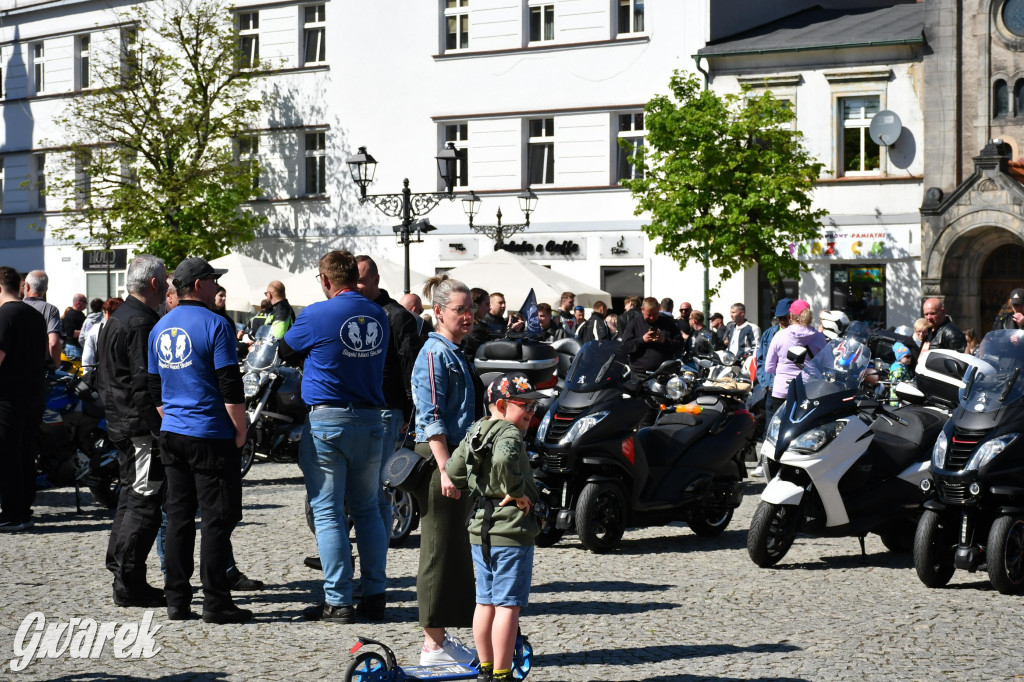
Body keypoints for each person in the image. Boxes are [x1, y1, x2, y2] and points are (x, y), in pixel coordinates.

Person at [279, 250, 389, 623]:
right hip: (370, 418)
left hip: (328, 419)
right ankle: (374, 595)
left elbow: (284, 349)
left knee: (328, 512)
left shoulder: (316, 313)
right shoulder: (377, 314)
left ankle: (339, 600)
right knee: (368, 509)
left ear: (326, 280)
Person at [148, 257, 251, 624]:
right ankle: (216, 602)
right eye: (212, 279)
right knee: (217, 518)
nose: (217, 286)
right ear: (198, 285)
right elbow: (229, 383)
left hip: (174, 433)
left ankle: (177, 600)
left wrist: (174, 418)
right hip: (210, 433)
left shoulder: (160, 326)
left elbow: (155, 387)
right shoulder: (216, 324)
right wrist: (241, 429)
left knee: (178, 517)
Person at [446, 372, 542, 682]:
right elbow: (503, 461)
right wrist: (515, 490)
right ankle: (502, 674)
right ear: (501, 405)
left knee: (485, 601)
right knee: (508, 605)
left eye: (534, 406)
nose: (531, 412)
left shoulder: (476, 429)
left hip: (480, 529)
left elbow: (454, 470)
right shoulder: (509, 432)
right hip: (511, 530)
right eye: (524, 405)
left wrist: (479, 482)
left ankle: (486, 669)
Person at [411, 275, 480, 666]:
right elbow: (431, 416)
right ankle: (433, 647)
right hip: (441, 457)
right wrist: (445, 468)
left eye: (470, 308)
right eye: (459, 309)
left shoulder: (454, 351)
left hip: (455, 457)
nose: (467, 316)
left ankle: (439, 639)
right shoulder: (434, 353)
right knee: (437, 550)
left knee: (453, 548)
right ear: (438, 312)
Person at [98, 256, 168, 607]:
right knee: (143, 501)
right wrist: (158, 429)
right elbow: (143, 384)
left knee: (132, 498)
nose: (168, 286)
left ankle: (124, 572)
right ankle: (128, 581)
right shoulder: (140, 321)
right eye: (165, 280)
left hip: (123, 421)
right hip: (139, 428)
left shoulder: (121, 316)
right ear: (154, 284)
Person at [356, 254, 424, 550]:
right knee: (360, 484)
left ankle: (376, 549)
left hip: (387, 410)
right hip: (358, 410)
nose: (355, 286)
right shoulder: (353, 311)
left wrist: (410, 413)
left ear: (376, 280)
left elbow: (411, 369)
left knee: (379, 485)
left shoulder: (396, 315)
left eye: (360, 280)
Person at [0, 265, 48, 532]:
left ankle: (13, 513)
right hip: (34, 392)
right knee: (26, 453)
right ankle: (24, 510)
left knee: (8, 455)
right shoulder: (34, 315)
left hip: (8, 396)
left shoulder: (4, 315)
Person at [764, 299, 828, 427]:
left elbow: (769, 368)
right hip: (809, 390)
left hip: (782, 390)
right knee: (805, 430)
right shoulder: (819, 337)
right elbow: (828, 365)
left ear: (791, 316)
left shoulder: (779, 336)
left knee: (779, 428)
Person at [620, 297, 684, 373]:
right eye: (649, 314)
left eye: (655, 314)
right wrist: (642, 340)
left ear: (659, 309)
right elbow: (625, 347)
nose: (652, 317)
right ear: (642, 310)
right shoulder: (634, 324)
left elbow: (680, 346)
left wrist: (664, 341)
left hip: (664, 373)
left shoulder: (668, 323)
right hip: (640, 373)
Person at [755, 299, 794, 401]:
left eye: (785, 318)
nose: (782, 321)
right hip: (773, 388)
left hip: (795, 387)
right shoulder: (769, 334)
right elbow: (761, 360)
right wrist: (766, 384)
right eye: (779, 318)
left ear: (792, 316)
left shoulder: (800, 334)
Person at [23, 270, 63, 369]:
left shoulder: (12, 308)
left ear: (27, 286)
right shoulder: (51, 310)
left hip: (15, 367)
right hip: (40, 367)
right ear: (46, 289)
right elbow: (53, 343)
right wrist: (56, 364)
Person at [82, 297, 124, 371]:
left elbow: (87, 363)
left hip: (102, 374)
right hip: (125, 375)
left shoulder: (96, 329)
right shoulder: (130, 329)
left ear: (107, 313)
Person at [464, 287, 491, 362]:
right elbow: (489, 352)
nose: (489, 309)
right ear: (475, 305)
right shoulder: (474, 329)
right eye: (487, 304)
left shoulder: (477, 326)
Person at [61, 293, 88, 359]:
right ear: (79, 302)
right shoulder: (71, 315)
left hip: (78, 347)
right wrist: (87, 331)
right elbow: (71, 333)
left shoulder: (80, 314)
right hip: (73, 348)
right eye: (85, 301)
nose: (86, 303)